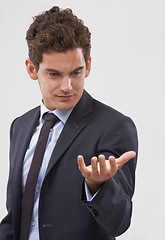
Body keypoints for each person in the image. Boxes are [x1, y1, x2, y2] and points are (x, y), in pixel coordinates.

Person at [0, 6, 138, 240]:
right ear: (32, 69)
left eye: (76, 72)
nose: (67, 86)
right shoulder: (20, 126)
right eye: (54, 74)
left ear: (88, 66)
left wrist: (98, 186)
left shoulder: (114, 126)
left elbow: (120, 222)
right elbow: (17, 214)